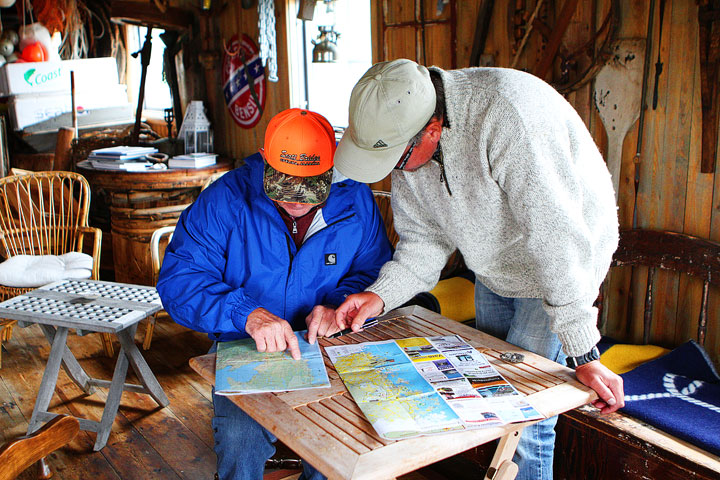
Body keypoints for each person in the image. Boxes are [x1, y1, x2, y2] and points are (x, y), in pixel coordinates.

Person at [332, 58, 624, 480]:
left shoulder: (508, 114)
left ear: (432, 130)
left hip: (561, 264)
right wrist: (379, 295)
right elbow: (423, 243)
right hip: (495, 263)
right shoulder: (405, 135)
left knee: (527, 415)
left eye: (396, 161)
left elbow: (557, 239)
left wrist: (583, 351)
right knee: (492, 394)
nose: (395, 171)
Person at [157, 108, 392, 480]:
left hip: (329, 345)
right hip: (243, 343)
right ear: (264, 161)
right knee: (240, 443)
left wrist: (337, 305)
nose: (297, 201)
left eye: (311, 188)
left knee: (341, 445)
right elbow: (179, 281)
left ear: (333, 169)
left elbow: (373, 270)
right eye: (284, 186)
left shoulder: (355, 200)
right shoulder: (225, 200)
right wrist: (245, 312)